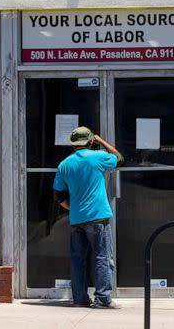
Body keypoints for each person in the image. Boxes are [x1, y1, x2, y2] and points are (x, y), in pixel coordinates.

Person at [53, 127, 123, 309]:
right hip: (98, 216)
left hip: (77, 219)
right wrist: (102, 141)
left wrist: (72, 207)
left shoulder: (64, 165)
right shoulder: (98, 157)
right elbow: (119, 158)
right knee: (102, 257)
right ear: (91, 141)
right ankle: (103, 299)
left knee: (78, 260)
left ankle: (80, 299)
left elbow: (59, 195)